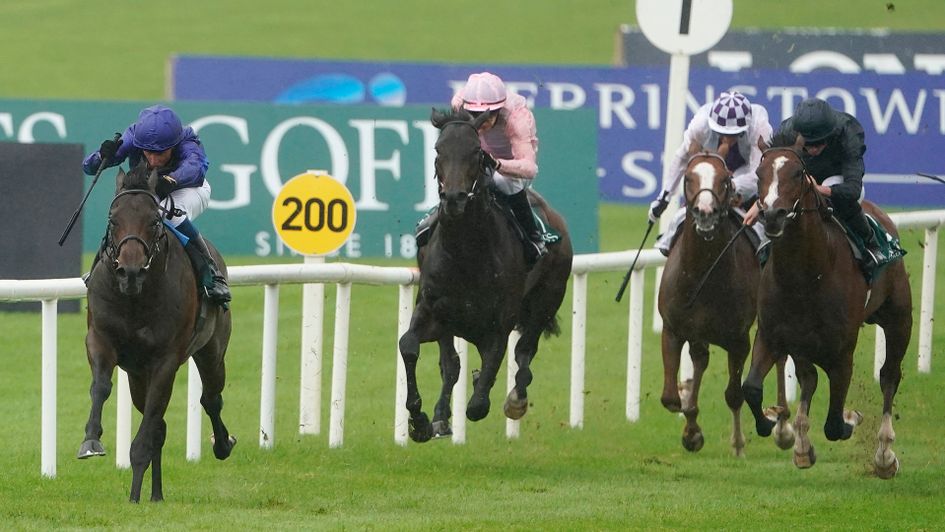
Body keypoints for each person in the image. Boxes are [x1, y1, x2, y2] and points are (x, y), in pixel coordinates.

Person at [83, 104, 231, 308]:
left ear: (173, 144)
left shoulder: (187, 140)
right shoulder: (135, 136)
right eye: (147, 153)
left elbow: (196, 167)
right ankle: (100, 267)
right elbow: (88, 168)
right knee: (125, 211)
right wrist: (101, 156)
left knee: (169, 213)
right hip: (151, 190)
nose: (152, 160)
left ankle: (211, 273)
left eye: (160, 153)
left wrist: (171, 179)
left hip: (189, 188)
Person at [417, 72, 547, 262]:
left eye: (486, 116)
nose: (480, 121)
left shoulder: (517, 118)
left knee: (505, 183)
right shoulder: (459, 103)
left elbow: (530, 168)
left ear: (499, 109)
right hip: (477, 156)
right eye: (475, 115)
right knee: (459, 179)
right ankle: (434, 219)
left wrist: (497, 164)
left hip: (510, 163)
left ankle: (533, 235)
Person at [744, 97, 883, 267]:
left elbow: (853, 189)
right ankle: (768, 245)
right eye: (808, 144)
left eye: (819, 143)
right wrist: (759, 204)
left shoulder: (848, 132)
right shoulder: (787, 132)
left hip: (837, 178)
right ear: (799, 136)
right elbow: (776, 176)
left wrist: (817, 189)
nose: (814, 149)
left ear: (831, 134)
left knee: (843, 200)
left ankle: (870, 242)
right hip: (802, 174)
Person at [649, 91, 773, 256]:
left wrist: (731, 186)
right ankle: (670, 236)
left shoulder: (760, 126)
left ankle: (763, 244)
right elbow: (681, 158)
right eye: (723, 133)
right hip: (711, 166)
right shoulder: (700, 123)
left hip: (747, 169)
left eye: (733, 134)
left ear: (745, 128)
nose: (727, 139)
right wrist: (664, 196)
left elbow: (758, 173)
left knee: (761, 216)